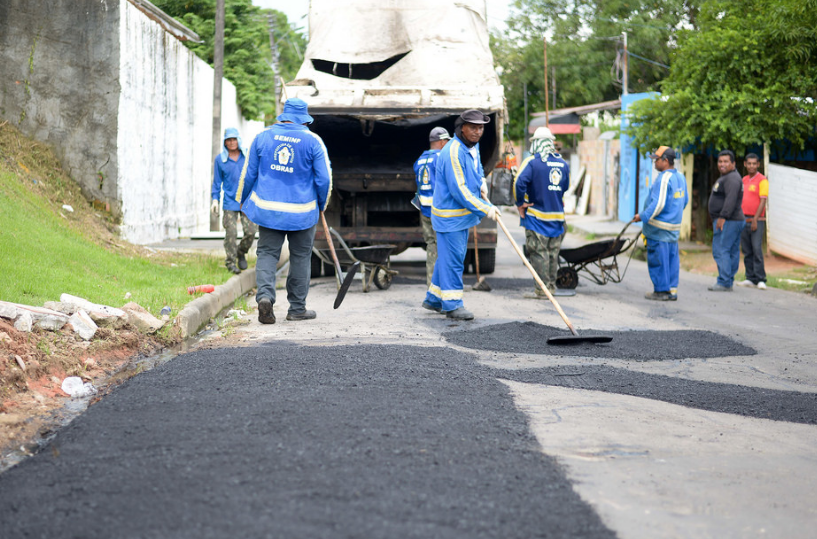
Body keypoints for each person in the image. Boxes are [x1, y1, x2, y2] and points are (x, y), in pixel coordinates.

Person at [236, 98, 332, 324]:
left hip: (268, 210)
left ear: (283, 115)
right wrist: (321, 204)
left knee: (267, 254)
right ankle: (297, 309)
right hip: (302, 211)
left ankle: (265, 298)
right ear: (304, 119)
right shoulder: (313, 141)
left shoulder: (262, 137)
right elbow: (324, 179)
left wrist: (242, 200)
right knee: (300, 257)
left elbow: (248, 174)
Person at [422, 110, 499, 320]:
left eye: (481, 128)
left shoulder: (472, 147)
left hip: (460, 217)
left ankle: (434, 299)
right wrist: (486, 208)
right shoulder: (453, 152)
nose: (477, 132)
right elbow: (460, 190)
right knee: (454, 261)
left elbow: (476, 169)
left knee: (446, 259)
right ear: (461, 128)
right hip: (450, 217)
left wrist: (482, 181)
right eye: (472, 127)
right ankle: (453, 305)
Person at [513, 126, 572, 297]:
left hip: (537, 217)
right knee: (553, 254)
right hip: (557, 218)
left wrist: (520, 203)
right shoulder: (562, 163)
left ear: (536, 143)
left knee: (539, 253)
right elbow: (565, 187)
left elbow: (518, 183)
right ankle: (550, 287)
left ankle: (541, 289)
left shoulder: (532, 162)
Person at [633, 146, 689, 301]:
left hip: (659, 229)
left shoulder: (664, 178)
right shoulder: (681, 177)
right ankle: (672, 291)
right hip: (673, 229)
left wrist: (642, 216)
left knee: (658, 260)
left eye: (656, 160)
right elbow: (685, 201)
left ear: (665, 160)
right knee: (671, 261)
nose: (654, 163)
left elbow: (658, 204)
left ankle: (661, 291)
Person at [211, 127, 257, 274]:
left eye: (234, 139)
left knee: (250, 232)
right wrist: (215, 200)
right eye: (228, 140)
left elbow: (255, 175)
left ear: (238, 140)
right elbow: (217, 183)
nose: (231, 143)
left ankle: (241, 252)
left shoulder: (247, 156)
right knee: (230, 233)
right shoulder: (220, 160)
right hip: (230, 202)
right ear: (225, 142)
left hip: (246, 201)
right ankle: (230, 262)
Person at [413, 127, 450, 287]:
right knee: (445, 248)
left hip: (425, 210)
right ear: (442, 141)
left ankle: (431, 285)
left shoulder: (420, 159)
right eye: (447, 141)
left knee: (431, 246)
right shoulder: (442, 158)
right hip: (440, 211)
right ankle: (443, 287)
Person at [708, 150, 745, 291]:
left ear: (733, 163)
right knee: (731, 251)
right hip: (733, 220)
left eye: (725, 161)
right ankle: (727, 280)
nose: (722, 164)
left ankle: (724, 281)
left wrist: (723, 217)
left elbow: (731, 200)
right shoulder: (728, 177)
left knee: (721, 249)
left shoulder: (732, 179)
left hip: (729, 220)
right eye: (720, 161)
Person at [737, 153, 768, 290]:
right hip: (744, 219)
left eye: (754, 164)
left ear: (758, 165)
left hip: (757, 220)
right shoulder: (743, 180)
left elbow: (763, 200)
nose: (751, 166)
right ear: (745, 164)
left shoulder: (763, 180)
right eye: (749, 163)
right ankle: (750, 277)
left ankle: (761, 279)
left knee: (756, 249)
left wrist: (755, 219)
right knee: (747, 249)